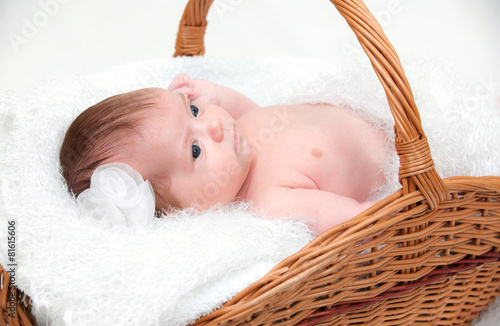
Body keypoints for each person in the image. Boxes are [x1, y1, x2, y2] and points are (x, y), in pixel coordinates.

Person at [60, 73, 388, 233]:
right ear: (184, 213)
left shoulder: (239, 134)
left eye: (192, 110)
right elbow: (358, 220)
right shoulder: (270, 202)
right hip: (402, 157)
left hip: (381, 105)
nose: (214, 127)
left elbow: (256, 112)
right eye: (195, 150)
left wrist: (214, 94)